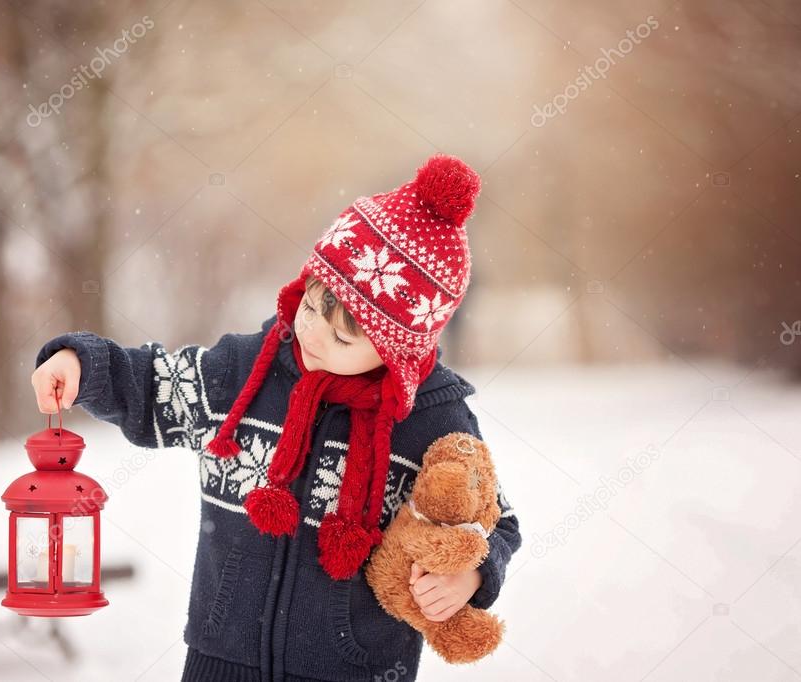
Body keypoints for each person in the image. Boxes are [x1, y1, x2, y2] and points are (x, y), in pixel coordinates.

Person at [30, 153, 521, 682]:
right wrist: (82, 363)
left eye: (342, 337)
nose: (311, 334)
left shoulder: (431, 419)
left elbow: (496, 521)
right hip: (221, 662)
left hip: (355, 671)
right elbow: (153, 385)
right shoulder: (244, 371)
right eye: (311, 308)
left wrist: (472, 574)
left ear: (396, 351)